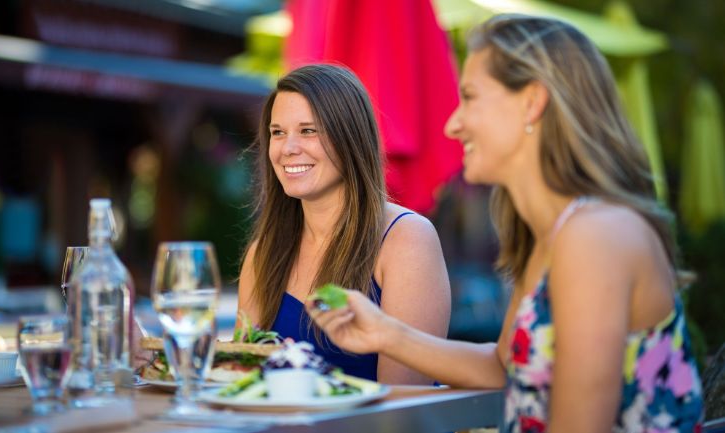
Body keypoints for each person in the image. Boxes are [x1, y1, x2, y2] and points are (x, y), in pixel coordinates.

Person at [310, 14, 703, 432]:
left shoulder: (595, 237)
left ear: (532, 102)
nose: (452, 123)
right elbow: (503, 365)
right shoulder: (556, 236)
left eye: (470, 97)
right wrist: (386, 334)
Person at [236, 64, 451, 384]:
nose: (288, 148)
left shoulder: (406, 239)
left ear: (350, 138)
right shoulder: (262, 254)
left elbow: (403, 408)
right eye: (277, 132)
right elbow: (241, 380)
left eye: (308, 130)